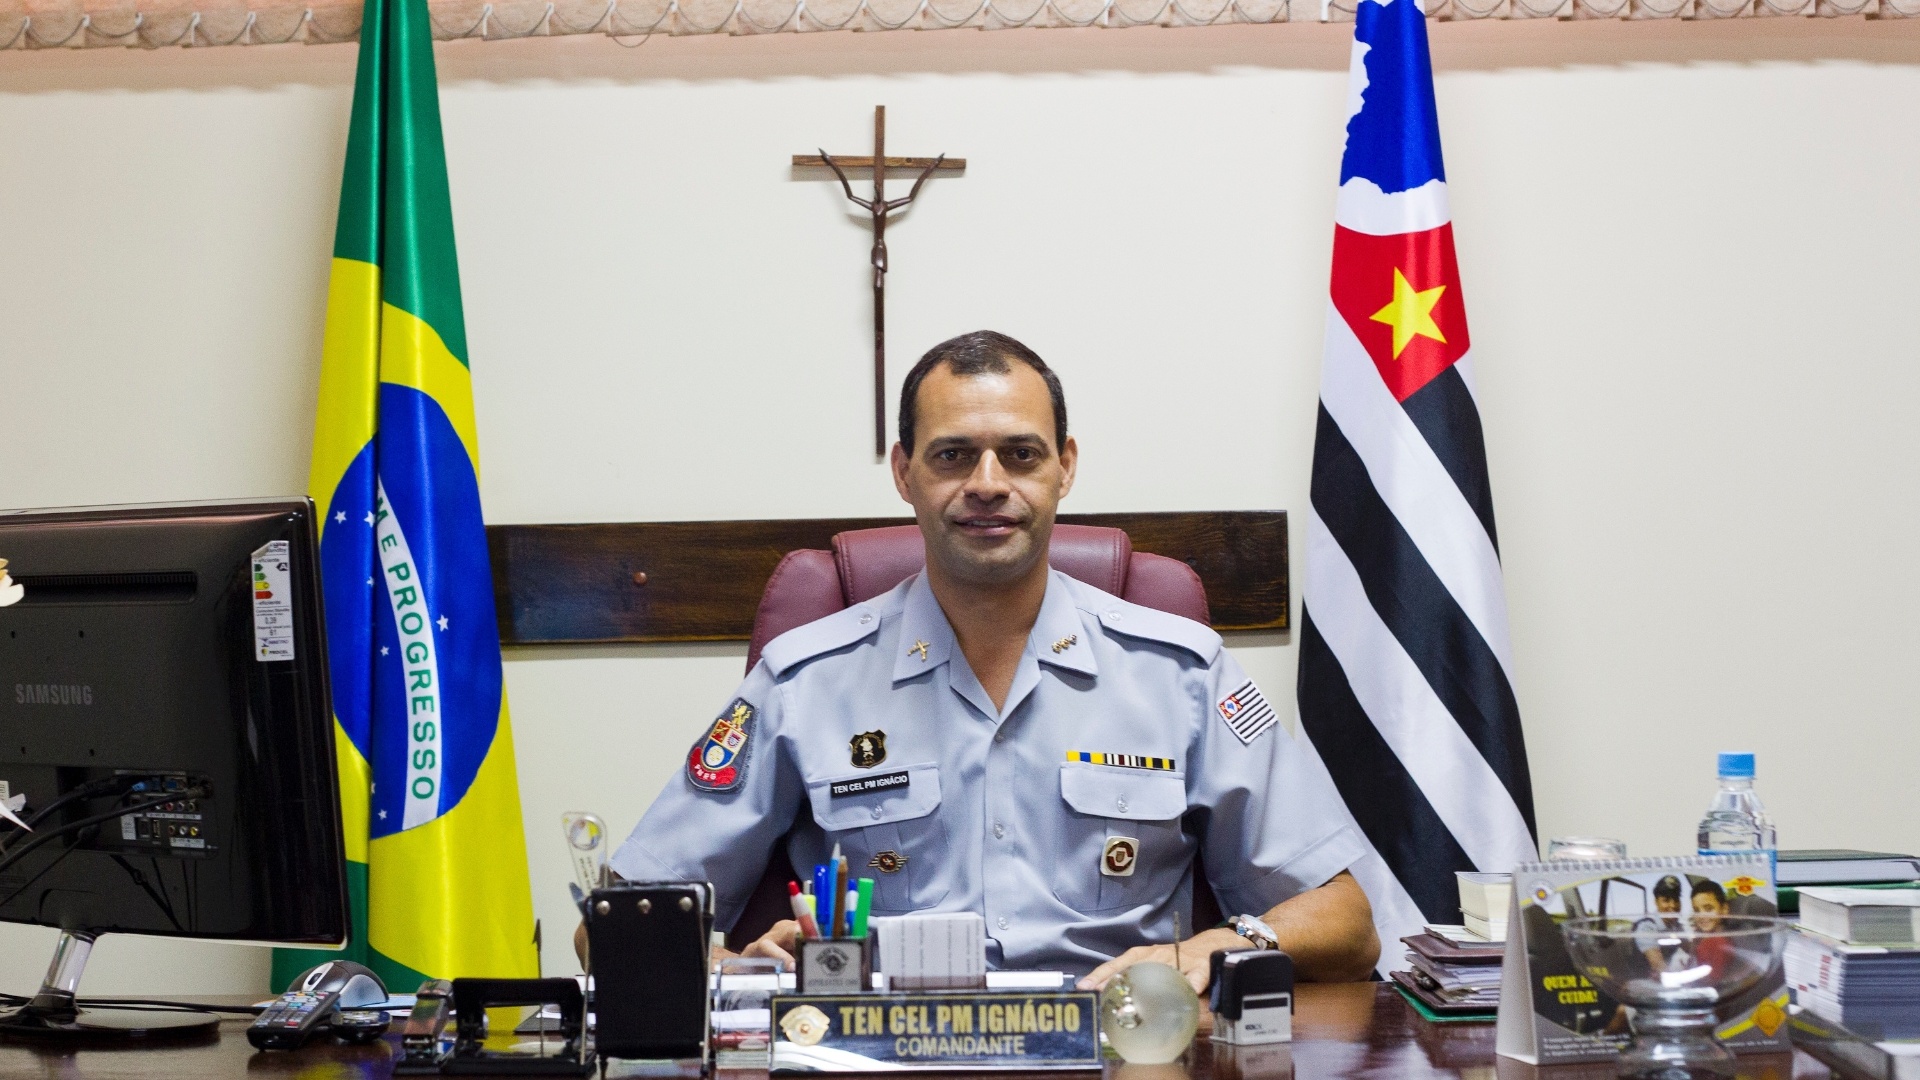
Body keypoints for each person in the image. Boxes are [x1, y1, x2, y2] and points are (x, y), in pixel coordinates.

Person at [593, 330, 1380, 989]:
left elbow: (1345, 921)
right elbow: (611, 929)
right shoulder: (806, 681)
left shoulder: (1181, 672)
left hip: (1113, 1051)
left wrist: (1209, 949)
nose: (988, 484)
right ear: (904, 471)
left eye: (1021, 454)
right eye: (953, 455)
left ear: (1065, 466)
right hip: (882, 1060)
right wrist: (728, 968)